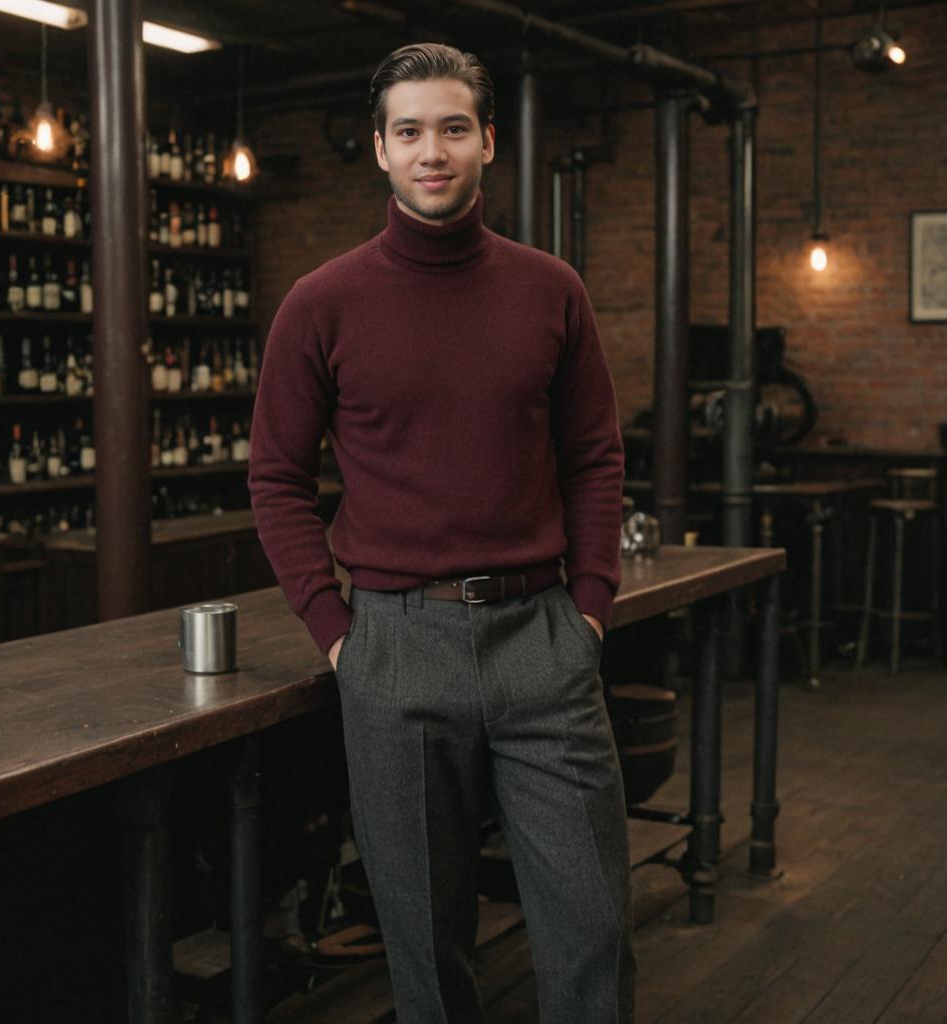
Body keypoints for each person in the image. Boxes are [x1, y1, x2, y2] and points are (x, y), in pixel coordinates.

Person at [249, 41, 634, 1023]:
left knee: (591, 924)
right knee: (425, 947)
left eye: (453, 128)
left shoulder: (551, 289)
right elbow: (276, 476)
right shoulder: (321, 302)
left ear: (487, 142)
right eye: (410, 130)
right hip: (395, 648)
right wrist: (337, 630)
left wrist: (589, 604)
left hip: (542, 639)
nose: (434, 150)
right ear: (379, 149)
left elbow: (594, 455)